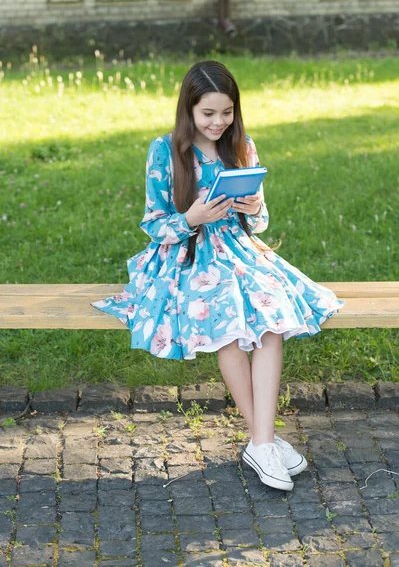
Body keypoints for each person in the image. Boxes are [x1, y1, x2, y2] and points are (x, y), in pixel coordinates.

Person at [91, 60, 345, 492]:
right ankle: (264, 442)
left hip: (239, 251)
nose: (218, 122)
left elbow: (260, 221)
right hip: (186, 255)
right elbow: (155, 224)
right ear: (188, 109)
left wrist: (254, 209)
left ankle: (260, 441)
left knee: (271, 317)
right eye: (208, 113)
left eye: (226, 112)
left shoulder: (243, 145)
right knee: (225, 319)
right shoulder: (165, 150)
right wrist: (191, 217)